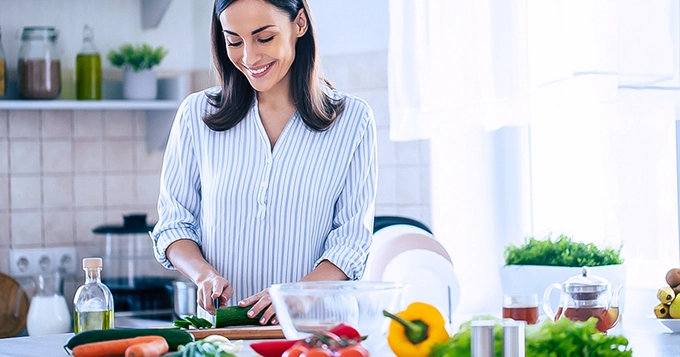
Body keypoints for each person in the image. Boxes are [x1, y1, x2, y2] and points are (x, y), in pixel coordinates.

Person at [151, 0, 377, 325]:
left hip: (317, 335)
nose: (249, 57)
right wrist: (204, 276)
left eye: (264, 38)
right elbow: (174, 223)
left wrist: (294, 295)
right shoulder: (196, 115)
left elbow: (352, 241)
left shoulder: (353, 120)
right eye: (234, 41)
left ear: (299, 24)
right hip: (226, 336)